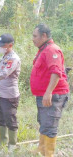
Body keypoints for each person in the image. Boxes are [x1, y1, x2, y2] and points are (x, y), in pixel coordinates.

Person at [30, 23, 69, 156]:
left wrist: (48, 92)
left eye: (35, 36)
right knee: (44, 122)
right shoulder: (43, 49)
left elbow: (56, 72)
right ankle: (41, 149)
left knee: (50, 124)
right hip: (43, 95)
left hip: (54, 95)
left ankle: (49, 154)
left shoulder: (52, 50)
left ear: (44, 36)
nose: (33, 38)